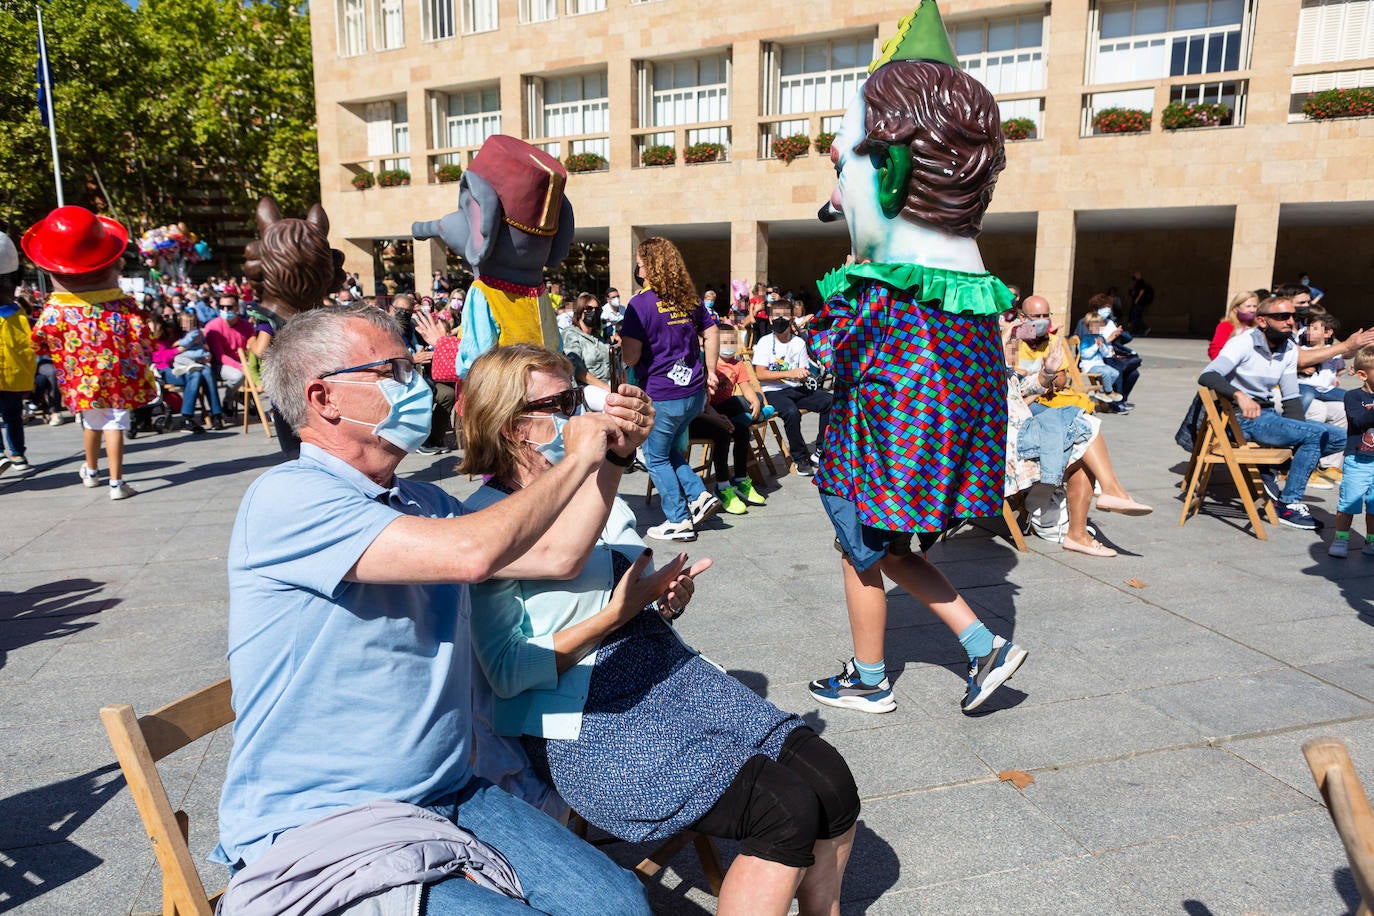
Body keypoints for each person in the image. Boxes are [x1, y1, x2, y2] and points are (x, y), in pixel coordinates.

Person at [212, 306, 657, 915]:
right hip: (329, 820)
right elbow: (473, 555)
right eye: (393, 371)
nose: (418, 385)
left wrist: (610, 459)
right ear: (323, 397)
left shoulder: (421, 500)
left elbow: (558, 554)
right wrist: (577, 459)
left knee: (621, 905)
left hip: (448, 790)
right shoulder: (288, 497)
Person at [462, 345, 859, 916]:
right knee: (784, 807)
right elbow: (505, 675)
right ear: (512, 424)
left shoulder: (594, 490)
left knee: (830, 779)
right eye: (562, 402)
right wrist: (618, 614)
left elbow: (625, 590)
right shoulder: (484, 523)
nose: (581, 413)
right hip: (584, 721)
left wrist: (664, 600)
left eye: (579, 397)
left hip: (661, 672)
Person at [806, 6, 1027, 714]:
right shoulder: (971, 288)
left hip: (872, 459)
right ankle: (977, 645)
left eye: (844, 163)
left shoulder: (881, 285)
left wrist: (836, 301)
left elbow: (826, 354)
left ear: (894, 171)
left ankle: (871, 679)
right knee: (892, 552)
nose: (839, 195)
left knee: (863, 552)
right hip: (932, 465)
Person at [25, 206, 153, 500]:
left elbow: (39, 340)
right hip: (117, 375)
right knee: (115, 422)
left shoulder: (56, 310)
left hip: (81, 376)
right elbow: (144, 335)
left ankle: (93, 472)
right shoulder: (122, 305)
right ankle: (116, 482)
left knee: (92, 421)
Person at [1199, 296, 1345, 530]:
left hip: (1267, 416)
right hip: (1241, 419)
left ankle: (1275, 470)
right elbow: (1208, 375)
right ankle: (1289, 504)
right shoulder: (1243, 342)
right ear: (1262, 321)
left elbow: (1290, 399)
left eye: (1293, 317)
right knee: (1314, 435)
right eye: (1282, 317)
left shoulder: (1287, 349)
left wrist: (1297, 438)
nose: (1290, 322)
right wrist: (1239, 395)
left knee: (1340, 437)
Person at [1004, 331, 1151, 557]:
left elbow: (1025, 387)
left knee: (1082, 444)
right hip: (1010, 451)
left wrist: (1048, 371)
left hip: (1028, 437)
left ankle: (1078, 534)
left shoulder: (1003, 371)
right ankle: (1111, 492)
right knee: (1081, 422)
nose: (1015, 346)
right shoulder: (977, 375)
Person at [620, 236, 721, 541]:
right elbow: (713, 328)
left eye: (640, 262)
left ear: (649, 266)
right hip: (693, 393)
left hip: (663, 395)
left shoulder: (639, 305)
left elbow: (631, 357)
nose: (637, 267)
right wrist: (712, 369)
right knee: (664, 451)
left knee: (655, 457)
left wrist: (623, 340)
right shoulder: (689, 299)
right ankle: (699, 496)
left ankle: (678, 519)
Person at [691, 325, 769, 514]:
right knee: (727, 425)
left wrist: (755, 402)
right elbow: (700, 403)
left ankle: (741, 480)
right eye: (724, 342)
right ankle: (722, 485)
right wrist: (717, 417)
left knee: (741, 430)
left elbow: (746, 386)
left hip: (721, 411)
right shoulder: (706, 364)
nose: (729, 346)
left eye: (732, 342)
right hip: (703, 413)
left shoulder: (737, 364)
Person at [753, 317, 832, 476]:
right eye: (776, 315)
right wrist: (790, 373)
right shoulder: (765, 342)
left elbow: (801, 374)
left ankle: (820, 450)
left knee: (829, 401)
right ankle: (799, 457)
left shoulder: (799, 342)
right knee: (791, 412)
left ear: (791, 319)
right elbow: (760, 374)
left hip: (796, 387)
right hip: (772, 390)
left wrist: (803, 375)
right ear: (770, 319)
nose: (780, 319)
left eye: (784, 315)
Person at [1328, 346, 1374, 557]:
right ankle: (1341, 538)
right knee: (1349, 501)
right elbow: (1359, 421)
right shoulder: (1353, 397)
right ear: (1363, 374)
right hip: (1359, 459)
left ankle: (1371, 540)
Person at [0, 232, 36, 476]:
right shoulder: (17, 313)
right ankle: (14, 453)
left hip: (12, 376)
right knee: (13, 415)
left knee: (12, 415)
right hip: (13, 377)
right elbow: (27, 349)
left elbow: (26, 348)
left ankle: (10, 453)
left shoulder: (16, 314)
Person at [149, 317, 226, 432]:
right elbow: (160, 357)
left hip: (186, 364)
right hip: (165, 369)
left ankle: (216, 414)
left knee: (207, 371)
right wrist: (179, 350)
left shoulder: (176, 334)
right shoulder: (151, 339)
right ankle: (187, 417)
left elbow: (199, 344)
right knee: (196, 375)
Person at [204, 294, 255, 406]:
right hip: (220, 365)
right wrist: (241, 367)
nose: (225, 310)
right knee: (238, 376)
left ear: (237, 307)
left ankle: (245, 396)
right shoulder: (213, 327)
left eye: (229, 307)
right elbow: (220, 356)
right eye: (222, 307)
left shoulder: (246, 326)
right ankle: (229, 399)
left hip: (243, 360)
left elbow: (252, 342)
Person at [560, 293, 610, 388]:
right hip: (585, 388)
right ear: (580, 311)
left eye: (597, 309)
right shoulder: (570, 334)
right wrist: (606, 388)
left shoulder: (598, 337)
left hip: (608, 383)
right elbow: (577, 370)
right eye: (589, 309)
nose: (594, 312)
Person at [1209, 291, 1259, 361]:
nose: (1252, 310)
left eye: (1255, 306)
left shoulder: (1259, 326)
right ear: (1235, 309)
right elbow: (1215, 350)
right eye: (1248, 306)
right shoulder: (1225, 326)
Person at [1128, 270, 1153, 335]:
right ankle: (1137, 331)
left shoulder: (1141, 282)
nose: (1135, 276)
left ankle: (1146, 328)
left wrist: (1137, 299)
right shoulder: (1137, 282)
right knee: (1137, 316)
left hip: (1139, 302)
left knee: (1135, 316)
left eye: (1136, 274)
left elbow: (1142, 291)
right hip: (1138, 302)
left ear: (1139, 275)